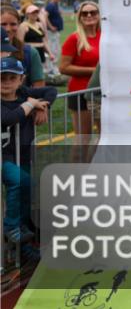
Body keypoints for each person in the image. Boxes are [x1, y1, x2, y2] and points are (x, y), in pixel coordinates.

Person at [2, 56, 56, 263]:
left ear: (21, 79)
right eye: (1, 78)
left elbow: (50, 91)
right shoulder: (25, 99)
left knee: (28, 189)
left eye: (11, 78)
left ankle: (21, 241)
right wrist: (31, 104)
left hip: (21, 153)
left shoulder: (23, 93)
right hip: (4, 157)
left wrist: (44, 107)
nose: (6, 82)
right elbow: (8, 118)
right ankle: (11, 226)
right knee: (22, 182)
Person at [60, 0, 101, 137]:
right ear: (80, 17)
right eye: (84, 13)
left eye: (93, 12)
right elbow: (63, 68)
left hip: (103, 92)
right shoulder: (74, 39)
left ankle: (95, 160)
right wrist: (95, 71)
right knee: (83, 139)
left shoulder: (106, 36)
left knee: (103, 137)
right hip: (80, 93)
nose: (89, 15)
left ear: (99, 15)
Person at [1, 10, 44, 88]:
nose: (8, 29)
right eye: (3, 24)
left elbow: (38, 87)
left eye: (13, 24)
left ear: (19, 25)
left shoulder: (30, 53)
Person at [18, 5, 49, 69]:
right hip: (29, 51)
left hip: (41, 51)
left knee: (40, 71)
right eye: (33, 12)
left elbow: (44, 41)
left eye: (37, 12)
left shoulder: (40, 25)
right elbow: (20, 42)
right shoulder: (23, 25)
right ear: (27, 14)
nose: (35, 14)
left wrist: (50, 53)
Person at [44, 0, 64, 77]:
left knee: (55, 50)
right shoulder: (51, 5)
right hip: (51, 32)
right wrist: (51, 26)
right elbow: (45, 16)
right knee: (53, 50)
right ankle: (51, 69)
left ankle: (51, 68)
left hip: (55, 32)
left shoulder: (55, 5)